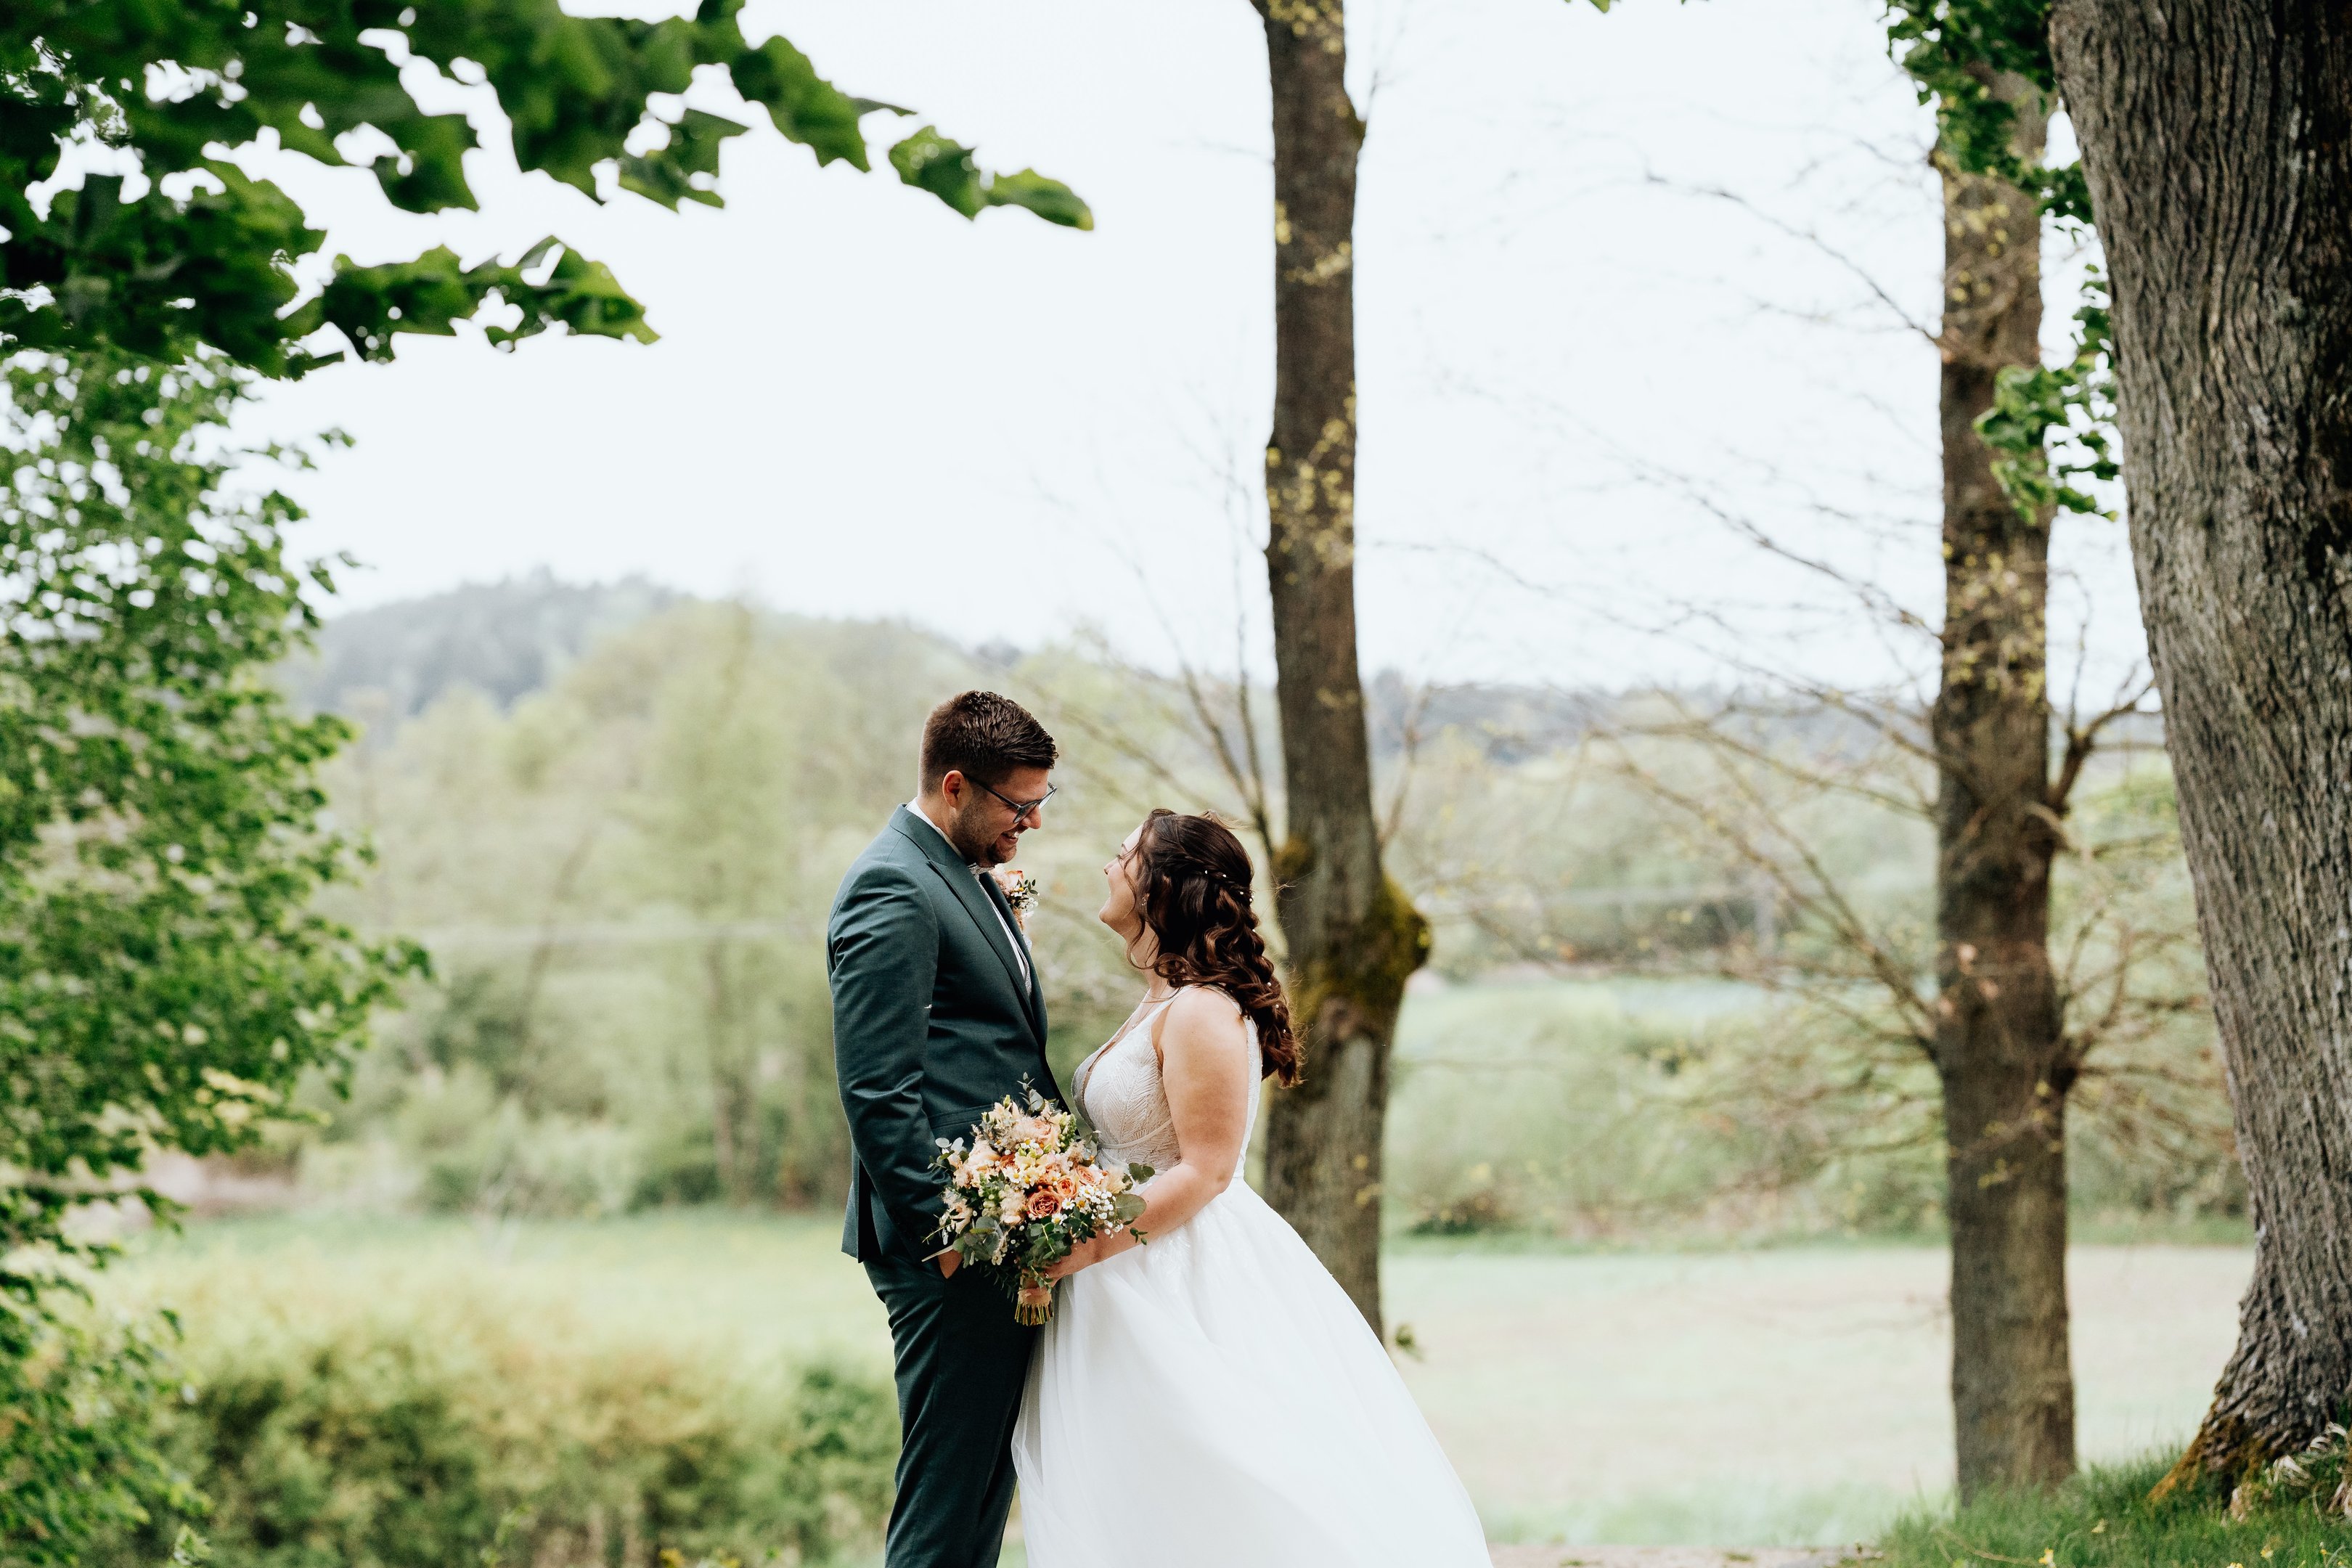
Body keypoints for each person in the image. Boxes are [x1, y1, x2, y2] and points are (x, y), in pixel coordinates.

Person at [1011, 808, 1491, 1567]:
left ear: (1162, 885)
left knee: (1216, 1481)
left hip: (1170, 1273)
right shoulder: (1161, 999)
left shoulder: (1202, 1009)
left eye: (1123, 855)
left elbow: (1205, 1171)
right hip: (1117, 1269)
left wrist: (1084, 1245)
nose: (1107, 866)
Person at [828, 690, 1061, 1568]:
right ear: (956, 786)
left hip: (999, 1234)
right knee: (946, 1510)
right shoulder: (892, 884)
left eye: (1041, 801)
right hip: (952, 1247)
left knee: (977, 1504)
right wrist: (952, 1234)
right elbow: (876, 1091)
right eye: (1019, 805)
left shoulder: (958, 871)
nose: (1033, 822)